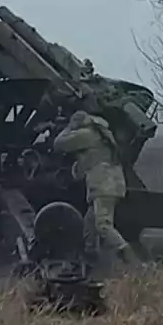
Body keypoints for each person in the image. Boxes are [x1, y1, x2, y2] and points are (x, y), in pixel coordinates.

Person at [52, 110, 139, 266]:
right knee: (89, 225)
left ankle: (134, 262)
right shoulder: (103, 135)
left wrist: (68, 127)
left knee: (103, 225)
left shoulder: (87, 135)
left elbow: (58, 144)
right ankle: (91, 260)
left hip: (103, 186)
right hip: (112, 184)